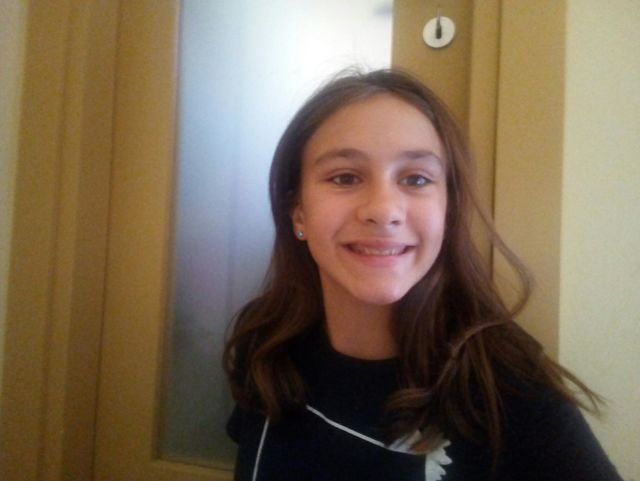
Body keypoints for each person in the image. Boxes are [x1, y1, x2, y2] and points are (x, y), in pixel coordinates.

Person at [223, 69, 622, 481]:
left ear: (448, 209)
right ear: (298, 212)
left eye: (416, 179)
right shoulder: (263, 344)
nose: (383, 210)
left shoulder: (511, 390)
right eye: (345, 177)